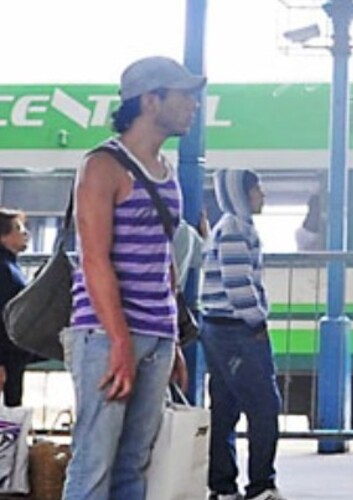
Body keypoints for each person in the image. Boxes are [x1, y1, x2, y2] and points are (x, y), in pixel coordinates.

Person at [62, 56, 203, 499]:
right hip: (106, 336)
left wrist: (172, 336)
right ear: (150, 100)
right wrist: (119, 340)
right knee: (94, 464)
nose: (194, 106)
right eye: (184, 95)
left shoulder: (167, 169)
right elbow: (94, 259)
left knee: (134, 465)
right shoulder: (102, 165)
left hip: (155, 335)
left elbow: (165, 256)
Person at [200, 169, 285, 500]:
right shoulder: (236, 229)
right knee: (264, 406)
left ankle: (222, 487)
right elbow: (238, 284)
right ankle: (261, 485)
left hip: (217, 328)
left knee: (225, 408)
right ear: (241, 195)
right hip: (237, 330)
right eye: (257, 190)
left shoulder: (229, 227)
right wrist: (258, 322)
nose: (262, 196)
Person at [0, 208, 37, 407]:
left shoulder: (11, 266)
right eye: (18, 228)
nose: (25, 233)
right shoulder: (4, 268)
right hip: (6, 353)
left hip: (13, 352)